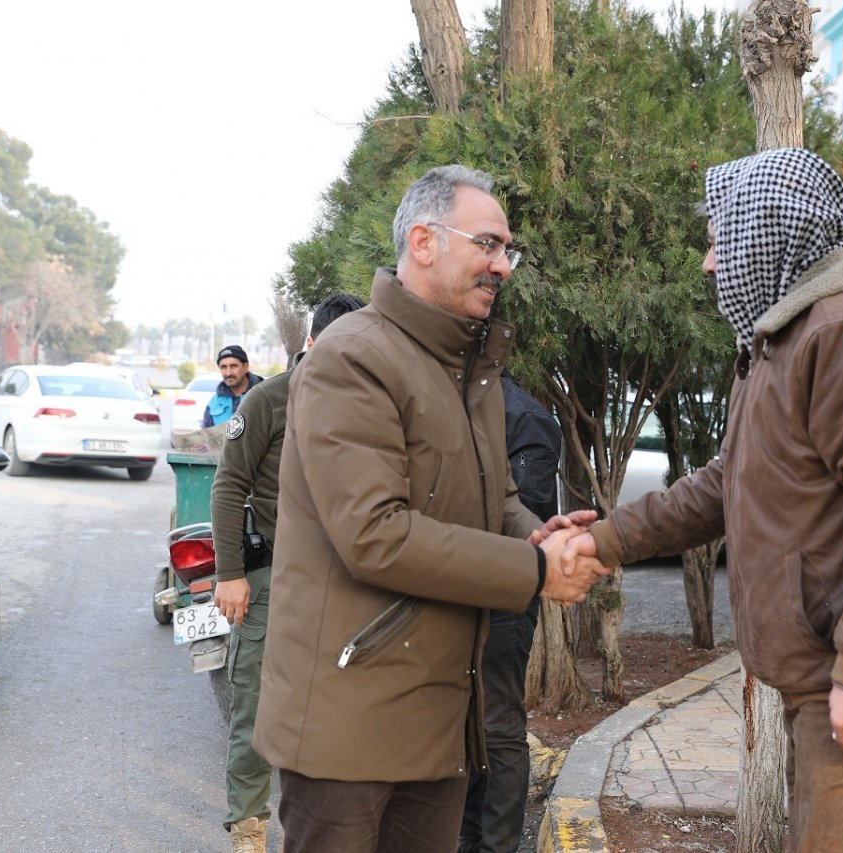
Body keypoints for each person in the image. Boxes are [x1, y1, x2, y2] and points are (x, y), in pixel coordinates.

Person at [566, 148, 843, 852]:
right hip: (828, 671)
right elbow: (726, 483)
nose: (710, 265)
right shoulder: (782, 343)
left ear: (768, 233)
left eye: (721, 242)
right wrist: (605, 540)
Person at [252, 165, 608, 853]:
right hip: (346, 728)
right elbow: (374, 535)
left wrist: (542, 536)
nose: (502, 265)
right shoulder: (353, 359)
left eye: (508, 250)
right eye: (489, 244)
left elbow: (492, 497)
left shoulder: (464, 368)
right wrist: (534, 569)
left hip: (438, 719)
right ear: (423, 241)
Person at [209, 293, 365, 853]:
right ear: (311, 343)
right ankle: (249, 823)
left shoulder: (364, 403)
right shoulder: (269, 400)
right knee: (256, 700)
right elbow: (228, 488)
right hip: (274, 575)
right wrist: (231, 573)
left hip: (347, 582)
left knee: (336, 708)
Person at [458, 375, 562, 853]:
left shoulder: (525, 417)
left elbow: (528, 516)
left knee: (497, 728)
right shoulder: (448, 399)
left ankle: (497, 846)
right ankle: (467, 838)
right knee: (457, 722)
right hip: (452, 591)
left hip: (503, 597)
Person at [202, 345, 264, 428]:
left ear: (245, 367)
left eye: (233, 366)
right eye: (223, 367)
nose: (228, 373)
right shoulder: (214, 402)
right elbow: (206, 436)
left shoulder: (263, 395)